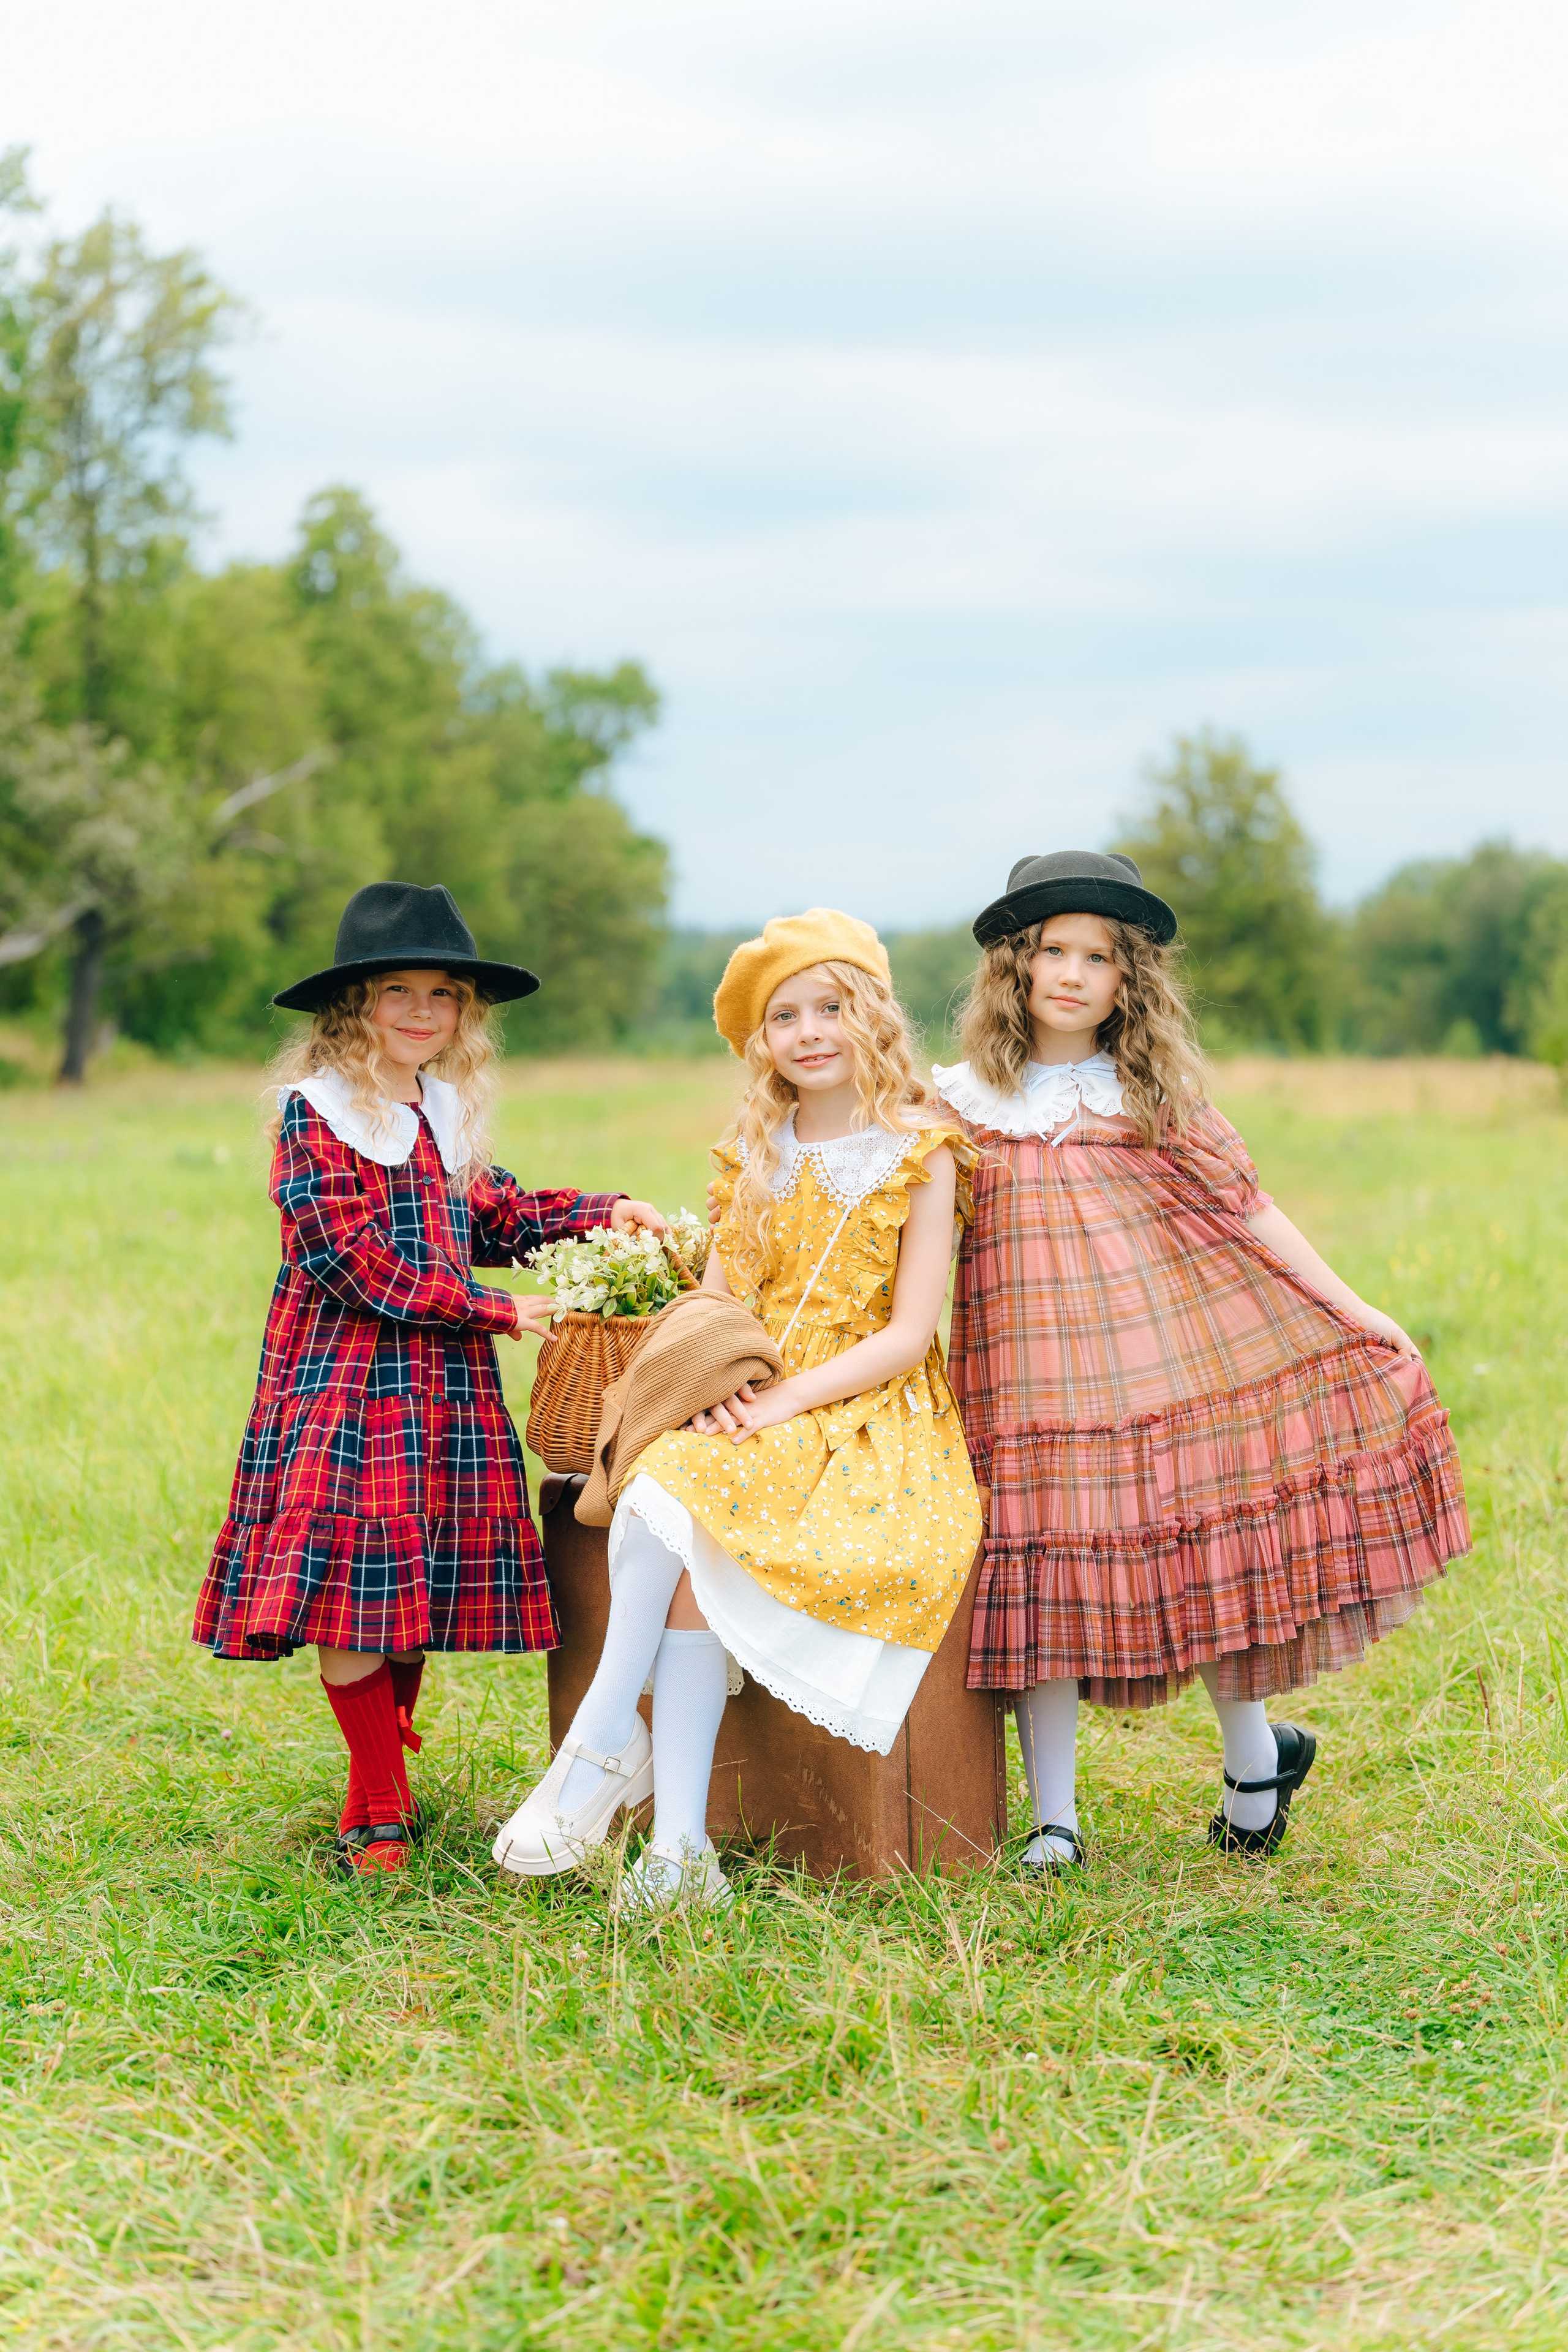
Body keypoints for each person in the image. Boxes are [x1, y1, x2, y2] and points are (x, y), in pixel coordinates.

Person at [933, 851, 1469, 1868]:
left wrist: (1355, 1309)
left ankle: (1255, 1768)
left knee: (1204, 1558)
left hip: (1159, 1371)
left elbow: (1251, 1209)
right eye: (1054, 950)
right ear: (1015, 964)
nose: (1073, 973)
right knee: (1042, 1573)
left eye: (1100, 957)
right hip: (1022, 1385)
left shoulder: (1148, 1097)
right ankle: (1055, 1820)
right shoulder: (958, 1103)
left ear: (1129, 981)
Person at [492, 910, 984, 1910]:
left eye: (829, 1008)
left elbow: (907, 1332)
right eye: (784, 1017)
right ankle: (679, 1850)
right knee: (671, 1492)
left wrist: (782, 1402)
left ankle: (611, 1752)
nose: (808, 1032)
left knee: (676, 1498)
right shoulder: (757, 1151)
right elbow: (716, 1305)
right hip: (749, 1389)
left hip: (865, 1409)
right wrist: (727, 1392)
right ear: (761, 1043)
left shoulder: (920, 1151)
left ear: (871, 1016)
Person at [192, 881, 665, 1875]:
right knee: (350, 1589)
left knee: (407, 1583)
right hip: (346, 1380)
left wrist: (601, 1211)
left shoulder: (438, 1109)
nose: (421, 1010)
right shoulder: (315, 1114)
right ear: (350, 1005)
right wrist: (496, 1310)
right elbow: (346, 1259)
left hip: (438, 1384)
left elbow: (492, 1216)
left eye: (443, 993)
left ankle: (385, 1775)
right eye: (396, 989)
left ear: (465, 1014)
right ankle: (377, 1794)